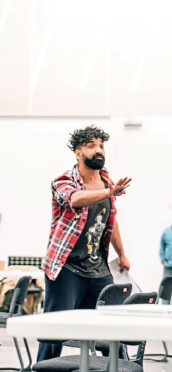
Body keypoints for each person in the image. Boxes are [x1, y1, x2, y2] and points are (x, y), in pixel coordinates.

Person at [38, 125, 132, 362]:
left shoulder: (106, 181)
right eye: (91, 146)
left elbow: (111, 220)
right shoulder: (64, 180)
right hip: (67, 269)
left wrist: (121, 254)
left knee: (111, 330)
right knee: (54, 334)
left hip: (98, 271)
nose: (98, 150)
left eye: (101, 146)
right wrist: (109, 192)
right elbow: (76, 199)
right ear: (77, 152)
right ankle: (42, 368)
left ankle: (118, 368)